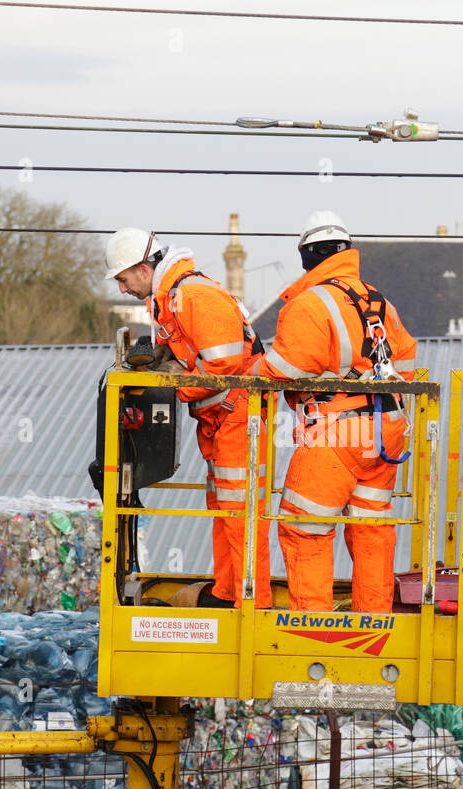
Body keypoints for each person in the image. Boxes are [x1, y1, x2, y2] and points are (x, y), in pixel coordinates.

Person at [247, 211, 417, 611]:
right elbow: (406, 364)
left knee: (304, 528)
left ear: (307, 256)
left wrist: (253, 369)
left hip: (338, 432)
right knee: (371, 528)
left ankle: (314, 629)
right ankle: (375, 620)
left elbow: (289, 368)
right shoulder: (380, 301)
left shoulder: (311, 303)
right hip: (387, 430)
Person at [105, 227, 272, 608]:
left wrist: (167, 388)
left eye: (123, 278)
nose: (122, 288)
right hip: (223, 421)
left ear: (143, 270)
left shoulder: (193, 295)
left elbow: (223, 367)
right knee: (226, 512)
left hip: (236, 417)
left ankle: (251, 603)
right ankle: (231, 593)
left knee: (240, 516)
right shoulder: (172, 298)